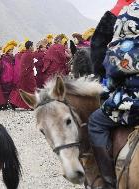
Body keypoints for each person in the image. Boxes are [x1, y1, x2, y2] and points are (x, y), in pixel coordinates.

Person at [88, 0, 136, 188]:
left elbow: (107, 65)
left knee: (95, 122)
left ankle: (107, 180)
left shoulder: (121, 13)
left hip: (132, 101)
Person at [9, 41, 36, 109]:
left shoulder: (24, 54)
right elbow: (30, 66)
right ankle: (31, 105)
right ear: (30, 47)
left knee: (22, 90)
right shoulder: (29, 54)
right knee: (30, 90)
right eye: (32, 46)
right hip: (28, 75)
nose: (33, 47)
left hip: (23, 75)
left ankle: (14, 103)